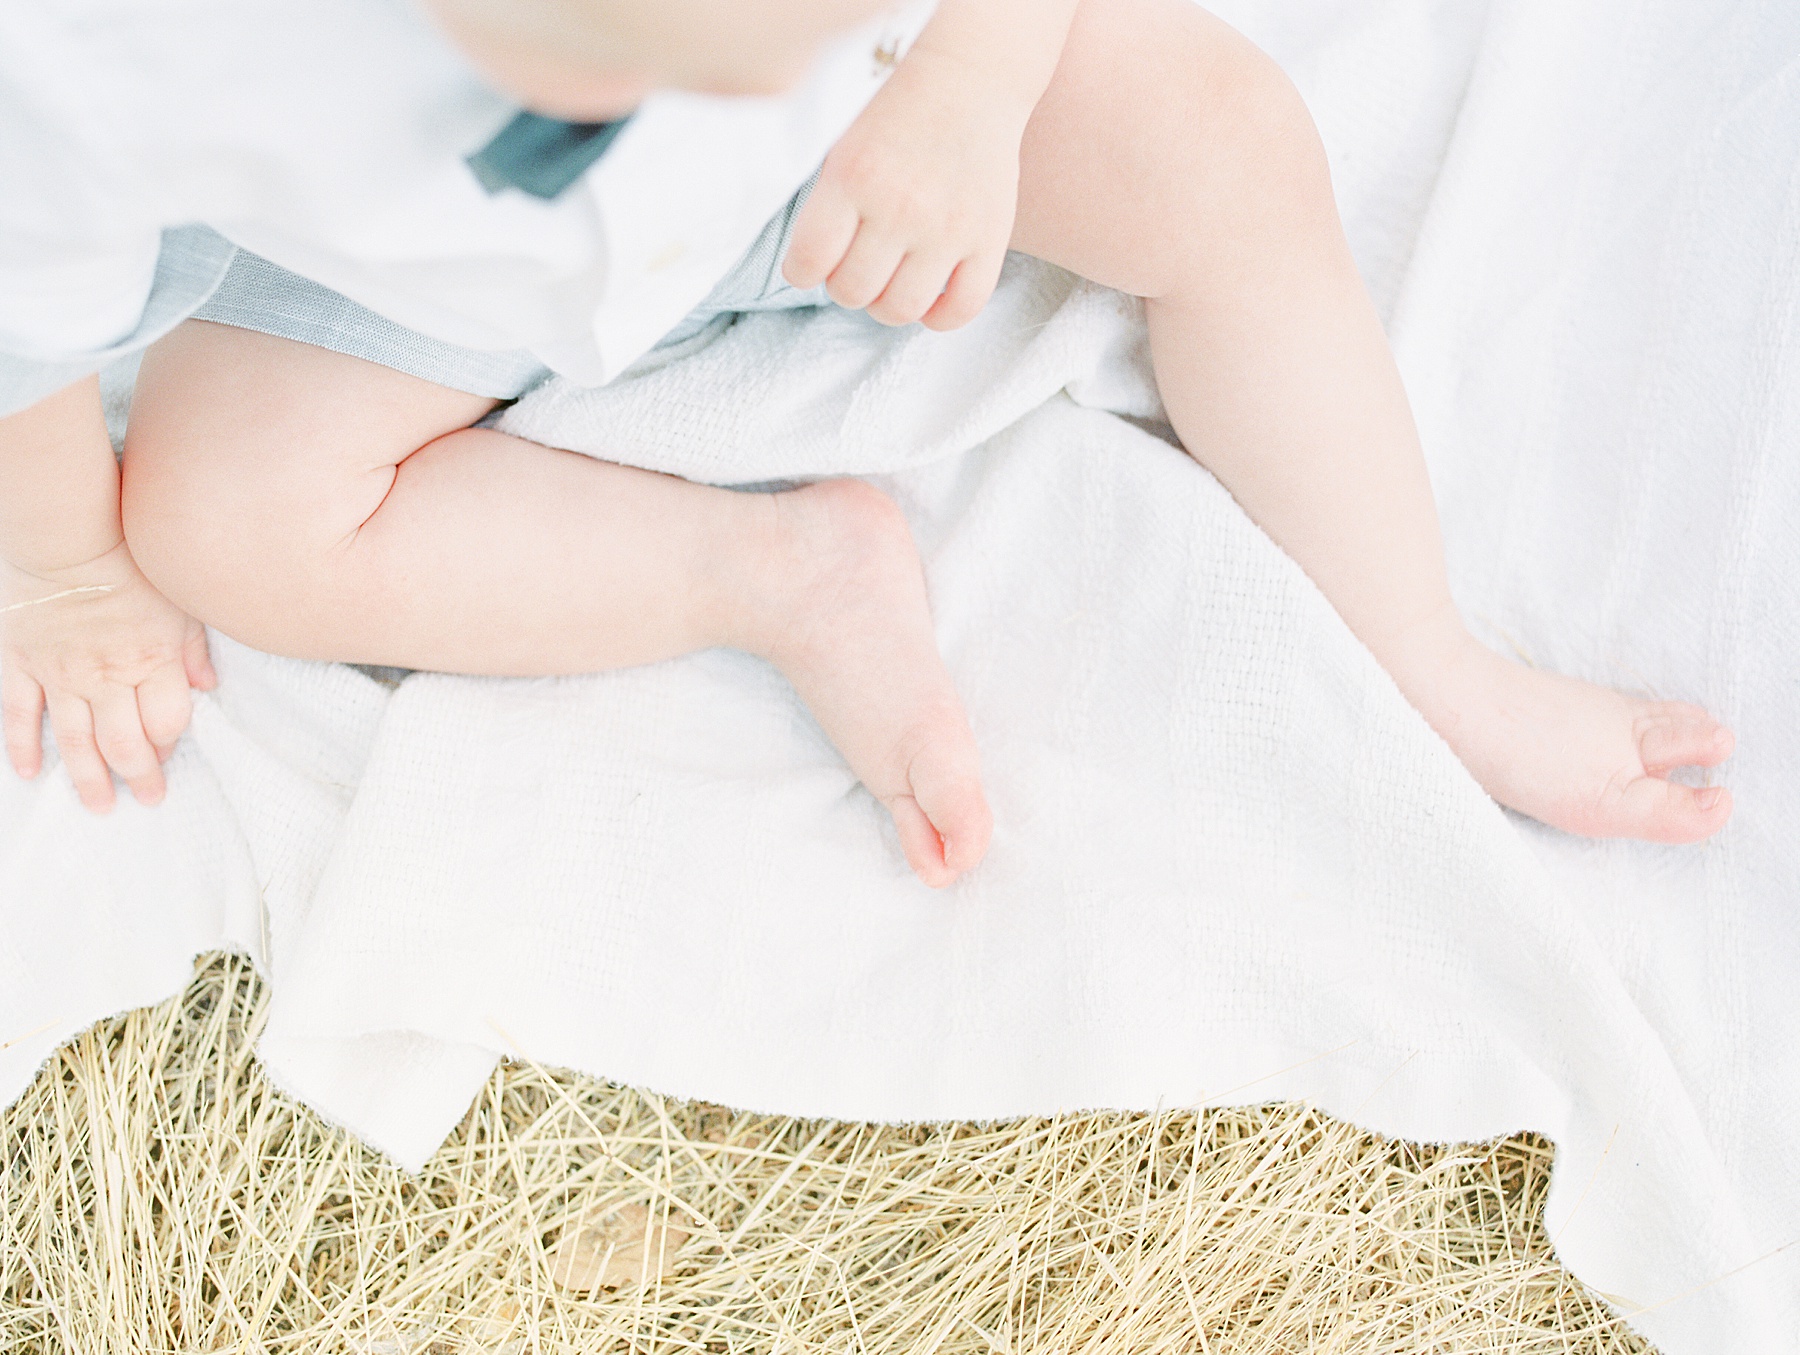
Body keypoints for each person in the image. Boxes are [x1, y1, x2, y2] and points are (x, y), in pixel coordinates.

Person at [0, 0, 1734, 891]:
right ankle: (775, 567)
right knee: (225, 526)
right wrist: (73, 572)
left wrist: (965, 90)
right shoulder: (112, 56)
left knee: (1229, 152)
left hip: (901, 93)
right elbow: (23, 319)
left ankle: (1431, 654)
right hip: (436, 266)